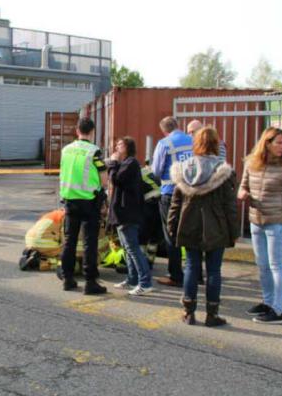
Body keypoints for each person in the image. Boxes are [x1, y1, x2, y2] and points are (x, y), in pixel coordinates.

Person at [168, 126, 239, 326]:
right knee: (214, 271)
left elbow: (176, 203)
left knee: (191, 266)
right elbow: (230, 206)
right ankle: (212, 314)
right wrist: (234, 232)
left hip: (189, 223)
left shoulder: (183, 168)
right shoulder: (223, 170)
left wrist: (172, 227)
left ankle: (189, 312)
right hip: (216, 226)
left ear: (196, 143)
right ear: (216, 144)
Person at [238, 127, 282, 324]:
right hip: (256, 220)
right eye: (279, 142)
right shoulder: (251, 163)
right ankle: (267, 302)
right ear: (267, 143)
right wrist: (242, 193)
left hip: (278, 222)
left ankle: (278, 309)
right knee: (262, 265)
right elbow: (243, 185)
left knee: (276, 265)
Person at [59, 117, 108, 294]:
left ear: (77, 130)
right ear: (92, 131)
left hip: (70, 200)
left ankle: (67, 278)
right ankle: (90, 282)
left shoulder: (66, 150)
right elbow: (104, 179)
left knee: (69, 241)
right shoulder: (94, 151)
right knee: (89, 242)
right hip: (89, 202)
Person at [106, 137, 153, 295]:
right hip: (121, 212)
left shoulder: (131, 163)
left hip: (128, 213)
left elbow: (115, 179)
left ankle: (145, 282)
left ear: (127, 147)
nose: (116, 146)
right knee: (127, 248)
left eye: (120, 144)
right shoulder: (125, 163)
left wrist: (112, 162)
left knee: (133, 249)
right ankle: (132, 279)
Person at [152, 116, 193, 287]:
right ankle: (194, 273)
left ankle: (175, 275)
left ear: (164, 130)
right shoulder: (192, 140)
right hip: (192, 193)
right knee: (190, 233)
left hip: (170, 194)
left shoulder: (164, 143)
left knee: (171, 235)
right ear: (178, 125)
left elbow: (156, 171)